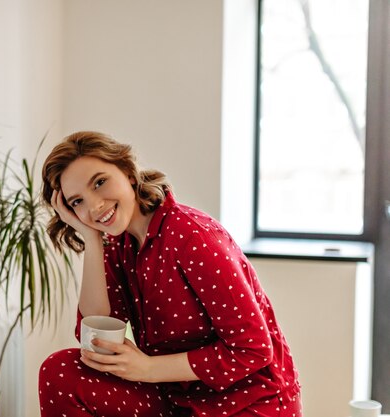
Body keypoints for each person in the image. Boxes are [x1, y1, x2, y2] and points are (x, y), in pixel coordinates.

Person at [38, 131, 302, 417]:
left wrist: (149, 368)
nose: (94, 206)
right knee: (60, 372)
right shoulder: (118, 244)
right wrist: (91, 239)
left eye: (100, 183)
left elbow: (253, 349)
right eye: (77, 202)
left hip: (248, 402)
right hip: (177, 399)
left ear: (128, 172)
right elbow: (95, 336)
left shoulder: (193, 237)